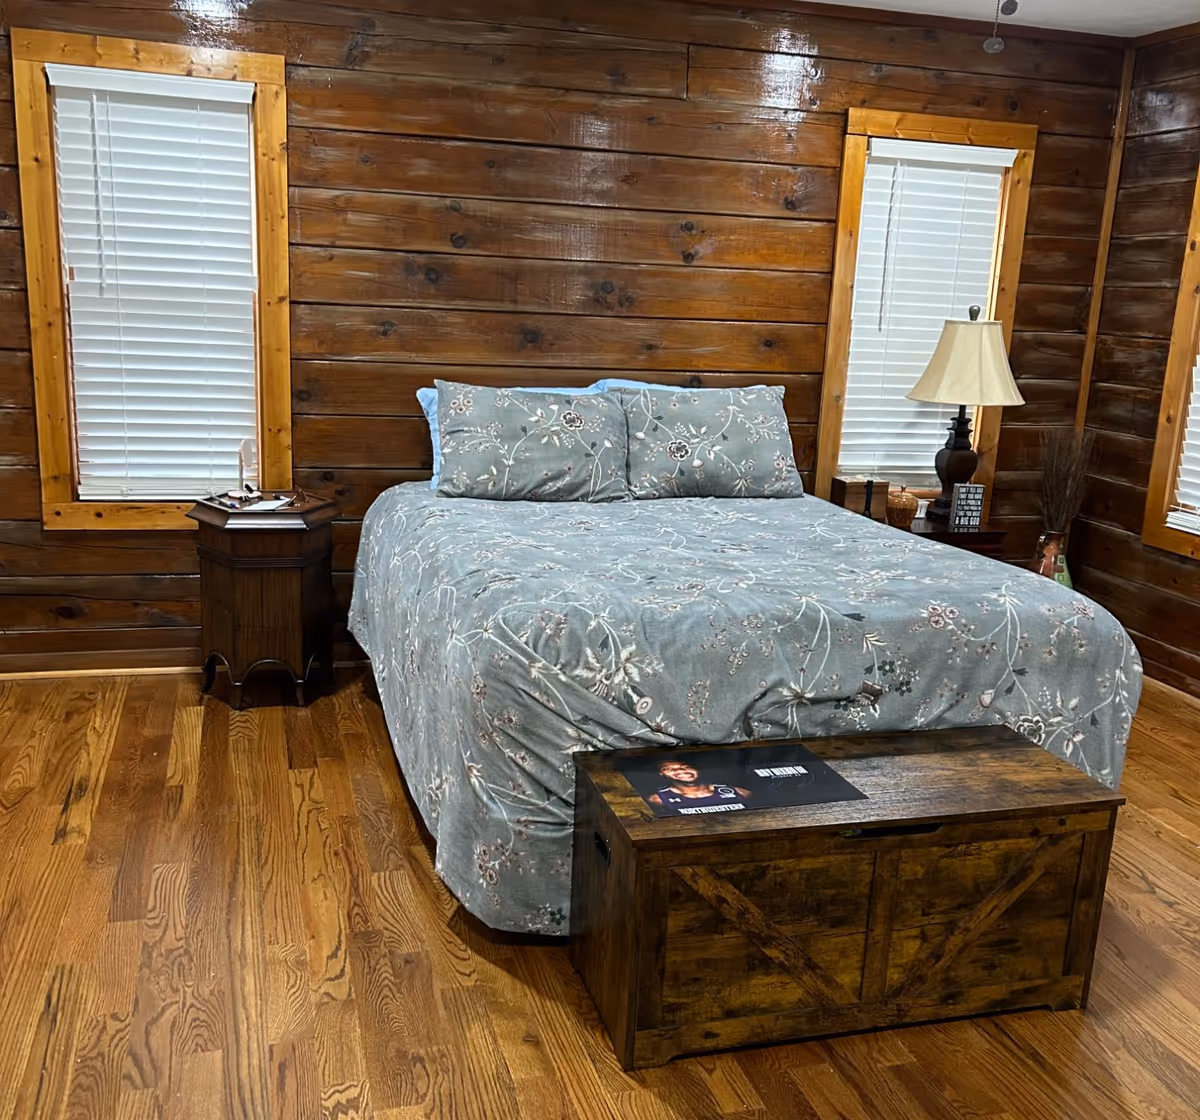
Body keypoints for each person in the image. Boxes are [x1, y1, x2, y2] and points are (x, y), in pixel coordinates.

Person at [647, 759, 752, 814]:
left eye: (686, 767)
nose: (680, 770)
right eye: (669, 769)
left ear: (697, 770)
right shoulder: (658, 799)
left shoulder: (738, 792)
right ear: (661, 774)